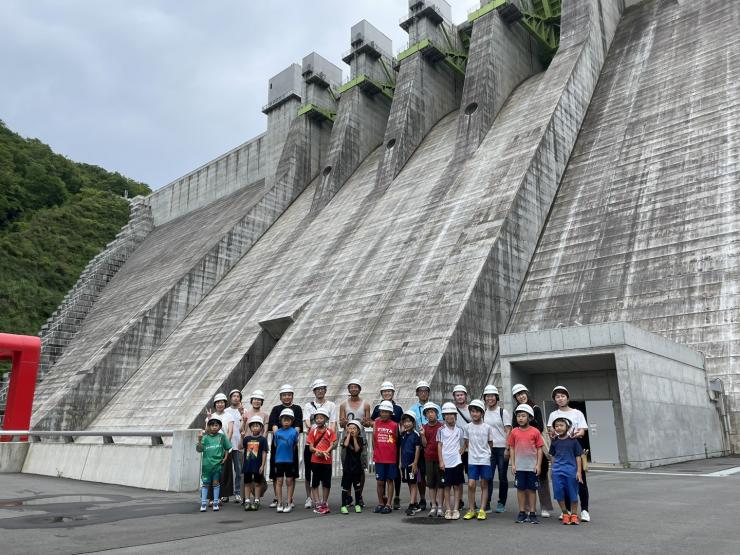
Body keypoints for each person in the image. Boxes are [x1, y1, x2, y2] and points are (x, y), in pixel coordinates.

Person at [547, 385, 590, 522]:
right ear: (555, 399)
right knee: (563, 483)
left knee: (580, 480)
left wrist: (579, 432)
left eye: (562, 396)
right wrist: (553, 433)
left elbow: (583, 430)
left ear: (567, 397)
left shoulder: (577, 413)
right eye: (557, 397)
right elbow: (551, 431)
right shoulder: (553, 415)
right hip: (561, 450)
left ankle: (584, 510)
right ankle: (566, 511)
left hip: (576, 449)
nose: (560, 399)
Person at [511, 383, 554, 518]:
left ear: (527, 393)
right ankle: (529, 507)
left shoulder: (535, 408)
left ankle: (545, 506)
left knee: (541, 477)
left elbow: (540, 427)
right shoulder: (516, 411)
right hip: (523, 450)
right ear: (515, 397)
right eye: (518, 395)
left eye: (523, 393)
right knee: (526, 479)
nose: (521, 396)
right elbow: (514, 428)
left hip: (537, 446)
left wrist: (527, 426)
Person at [303, 379, 338, 509]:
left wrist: (330, 440)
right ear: (314, 391)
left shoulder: (331, 405)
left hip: (325, 445)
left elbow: (333, 422)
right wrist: (314, 431)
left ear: (325, 390)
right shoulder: (308, 406)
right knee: (309, 472)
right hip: (312, 444)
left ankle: (323, 500)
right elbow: (306, 422)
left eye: (323, 388)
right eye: (318, 389)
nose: (320, 390)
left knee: (324, 473)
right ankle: (309, 497)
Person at [267, 385, 303, 510]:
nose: (287, 396)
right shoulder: (276, 409)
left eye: (289, 394)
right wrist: (278, 435)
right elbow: (273, 424)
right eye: (284, 394)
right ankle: (278, 499)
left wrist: (293, 438)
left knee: (290, 476)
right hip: (278, 446)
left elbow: (298, 424)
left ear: (292, 396)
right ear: (280, 396)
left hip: (291, 445)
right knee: (276, 475)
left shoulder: (297, 408)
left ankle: (289, 500)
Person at [508, 404, 544, 524]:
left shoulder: (535, 432)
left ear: (530, 417)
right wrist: (513, 464)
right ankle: (522, 512)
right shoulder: (514, 432)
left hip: (532, 467)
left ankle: (532, 513)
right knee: (520, 489)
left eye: (523, 416)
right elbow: (512, 448)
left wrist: (538, 465)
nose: (520, 418)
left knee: (532, 490)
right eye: (518, 416)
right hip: (519, 467)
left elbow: (539, 449)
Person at [338, 378, 371, 508]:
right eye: (351, 387)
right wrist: (343, 422)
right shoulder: (343, 405)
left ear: (359, 389)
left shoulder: (366, 405)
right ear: (349, 389)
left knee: (360, 467)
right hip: (347, 438)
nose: (353, 389)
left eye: (355, 387)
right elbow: (341, 424)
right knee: (347, 467)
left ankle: (359, 495)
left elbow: (368, 423)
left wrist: (365, 422)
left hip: (360, 438)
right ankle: (348, 496)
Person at [370, 381, 403, 509]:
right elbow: (373, 434)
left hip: (392, 451)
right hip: (380, 454)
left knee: (392, 478)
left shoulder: (398, 410)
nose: (387, 393)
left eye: (389, 391)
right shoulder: (377, 417)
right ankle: (381, 501)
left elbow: (398, 432)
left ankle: (394, 499)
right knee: (380, 480)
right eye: (385, 391)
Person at [549, 416, 584, 525]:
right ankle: (565, 513)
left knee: (573, 494)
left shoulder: (573, 441)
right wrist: (552, 469)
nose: (558, 428)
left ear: (567, 427)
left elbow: (578, 456)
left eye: (561, 425)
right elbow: (552, 456)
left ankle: (574, 515)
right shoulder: (554, 442)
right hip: (557, 471)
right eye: (556, 426)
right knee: (559, 493)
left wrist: (579, 472)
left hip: (571, 471)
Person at [483, 385, 511, 513]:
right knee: (487, 476)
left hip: (501, 448)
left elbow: (508, 430)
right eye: (487, 396)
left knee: (502, 476)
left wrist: (507, 448)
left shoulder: (502, 412)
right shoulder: (483, 412)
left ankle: (501, 502)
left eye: (492, 396)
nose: (490, 398)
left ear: (496, 397)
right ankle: (486, 503)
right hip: (489, 449)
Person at [463, 399, 493, 520]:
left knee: (484, 484)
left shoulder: (487, 427)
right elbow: (466, 442)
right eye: (472, 411)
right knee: (471, 484)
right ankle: (471, 510)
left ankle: (482, 509)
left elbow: (490, 443)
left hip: (484, 459)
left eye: (477, 412)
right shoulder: (467, 427)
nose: (474, 414)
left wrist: (486, 453)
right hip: (472, 460)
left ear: (482, 413)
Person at [196, 417, 231, 512]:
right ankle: (203, 503)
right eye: (212, 425)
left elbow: (227, 447)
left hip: (217, 465)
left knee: (216, 483)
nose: (214, 427)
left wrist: (225, 457)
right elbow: (199, 450)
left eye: (216, 425)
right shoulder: (205, 437)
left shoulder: (222, 437)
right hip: (207, 466)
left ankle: (216, 503)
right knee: (206, 484)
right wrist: (199, 440)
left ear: (219, 427)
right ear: (209, 427)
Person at [306, 406, 337, 514]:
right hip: (315, 461)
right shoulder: (313, 432)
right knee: (315, 483)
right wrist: (318, 451)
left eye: (321, 418)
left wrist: (325, 452)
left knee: (326, 483)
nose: (319, 420)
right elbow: (310, 447)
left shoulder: (330, 432)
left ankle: (324, 502)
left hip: (326, 461)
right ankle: (317, 502)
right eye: (317, 418)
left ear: (326, 419)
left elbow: (333, 444)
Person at [204, 392, 234, 504]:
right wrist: (208, 419)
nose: (220, 404)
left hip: (225, 449)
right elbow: (206, 432)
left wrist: (225, 445)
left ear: (225, 403)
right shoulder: (211, 417)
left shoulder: (229, 416)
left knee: (223, 474)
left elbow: (230, 431)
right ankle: (212, 498)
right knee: (213, 473)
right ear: (215, 404)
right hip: (212, 451)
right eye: (218, 402)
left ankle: (220, 497)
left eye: (222, 402)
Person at [407, 380, 432, 511]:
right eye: (421, 391)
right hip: (418, 446)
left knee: (433, 474)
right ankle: (422, 498)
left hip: (432, 446)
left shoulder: (435, 407)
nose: (423, 393)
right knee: (420, 475)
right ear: (417, 393)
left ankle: (434, 500)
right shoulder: (413, 409)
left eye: (425, 391)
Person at [438, 402, 464, 520]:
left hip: (457, 461)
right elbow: (439, 446)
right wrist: (441, 461)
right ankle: (448, 509)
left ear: (455, 415)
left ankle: (456, 509)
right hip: (446, 462)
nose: (449, 416)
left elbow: (463, 443)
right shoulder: (441, 430)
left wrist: (461, 451)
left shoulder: (460, 430)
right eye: (446, 414)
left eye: (451, 414)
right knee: (447, 487)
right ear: (443, 416)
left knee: (457, 486)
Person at [241, 389, 269, 501]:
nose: (257, 401)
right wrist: (243, 422)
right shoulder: (246, 414)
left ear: (261, 401)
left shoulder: (265, 415)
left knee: (259, 475)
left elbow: (266, 431)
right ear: (251, 400)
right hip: (247, 444)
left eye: (259, 400)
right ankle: (245, 499)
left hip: (259, 444)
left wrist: (263, 442)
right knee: (246, 475)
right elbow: (241, 430)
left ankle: (257, 497)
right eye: (255, 399)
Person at [372, 400, 399, 514]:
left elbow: (396, 440)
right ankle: (380, 503)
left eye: (386, 412)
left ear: (390, 413)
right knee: (379, 481)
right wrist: (376, 452)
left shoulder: (394, 425)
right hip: (379, 457)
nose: (384, 414)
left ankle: (389, 503)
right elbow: (374, 439)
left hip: (391, 458)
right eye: (382, 411)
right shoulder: (376, 423)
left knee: (389, 480)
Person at [273, 407, 299, 513]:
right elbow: (276, 444)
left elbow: (294, 444)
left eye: (288, 420)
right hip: (279, 460)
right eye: (284, 420)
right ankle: (279, 502)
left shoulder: (294, 432)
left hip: (290, 460)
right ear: (281, 421)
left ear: (292, 421)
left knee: (289, 481)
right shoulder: (277, 433)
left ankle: (288, 502)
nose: (286, 422)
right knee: (279, 481)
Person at [399, 410, 424, 516]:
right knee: (409, 483)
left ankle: (412, 504)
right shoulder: (403, 434)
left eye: (409, 421)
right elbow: (402, 449)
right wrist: (400, 463)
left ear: (414, 423)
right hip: (405, 464)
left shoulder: (416, 435)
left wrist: (415, 463)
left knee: (413, 483)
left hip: (412, 464)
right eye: (405, 421)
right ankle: (415, 503)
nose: (407, 424)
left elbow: (418, 449)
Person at [421, 402, 444, 517]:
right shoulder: (424, 428)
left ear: (436, 413)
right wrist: (423, 435)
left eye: (432, 412)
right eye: (428, 412)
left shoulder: (441, 426)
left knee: (440, 484)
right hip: (428, 458)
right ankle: (433, 506)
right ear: (425, 415)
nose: (430, 415)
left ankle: (440, 506)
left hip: (440, 458)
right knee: (430, 483)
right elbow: (424, 444)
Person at [340, 419, 366, 514]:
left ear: (358, 431)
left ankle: (357, 504)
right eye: (350, 428)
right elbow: (346, 445)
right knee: (345, 487)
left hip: (356, 467)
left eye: (354, 428)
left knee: (357, 488)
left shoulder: (360, 439)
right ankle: (343, 505)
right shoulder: (345, 438)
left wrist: (354, 438)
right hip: (347, 467)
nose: (352, 430)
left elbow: (357, 449)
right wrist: (348, 435)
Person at [242, 415, 268, 511]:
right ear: (250, 427)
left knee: (257, 483)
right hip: (248, 465)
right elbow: (240, 447)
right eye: (253, 426)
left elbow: (264, 452)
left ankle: (256, 500)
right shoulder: (247, 438)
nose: (255, 427)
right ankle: (247, 501)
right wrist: (241, 437)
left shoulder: (263, 440)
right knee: (247, 483)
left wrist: (263, 465)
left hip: (258, 465)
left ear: (261, 427)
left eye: (257, 426)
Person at [225, 388, 245, 504]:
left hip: (239, 445)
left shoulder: (243, 410)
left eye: (238, 396)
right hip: (227, 445)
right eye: (234, 396)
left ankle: (237, 492)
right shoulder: (226, 411)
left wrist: (242, 414)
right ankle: (226, 494)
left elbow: (246, 426)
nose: (236, 398)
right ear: (230, 398)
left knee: (238, 470)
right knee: (226, 471)